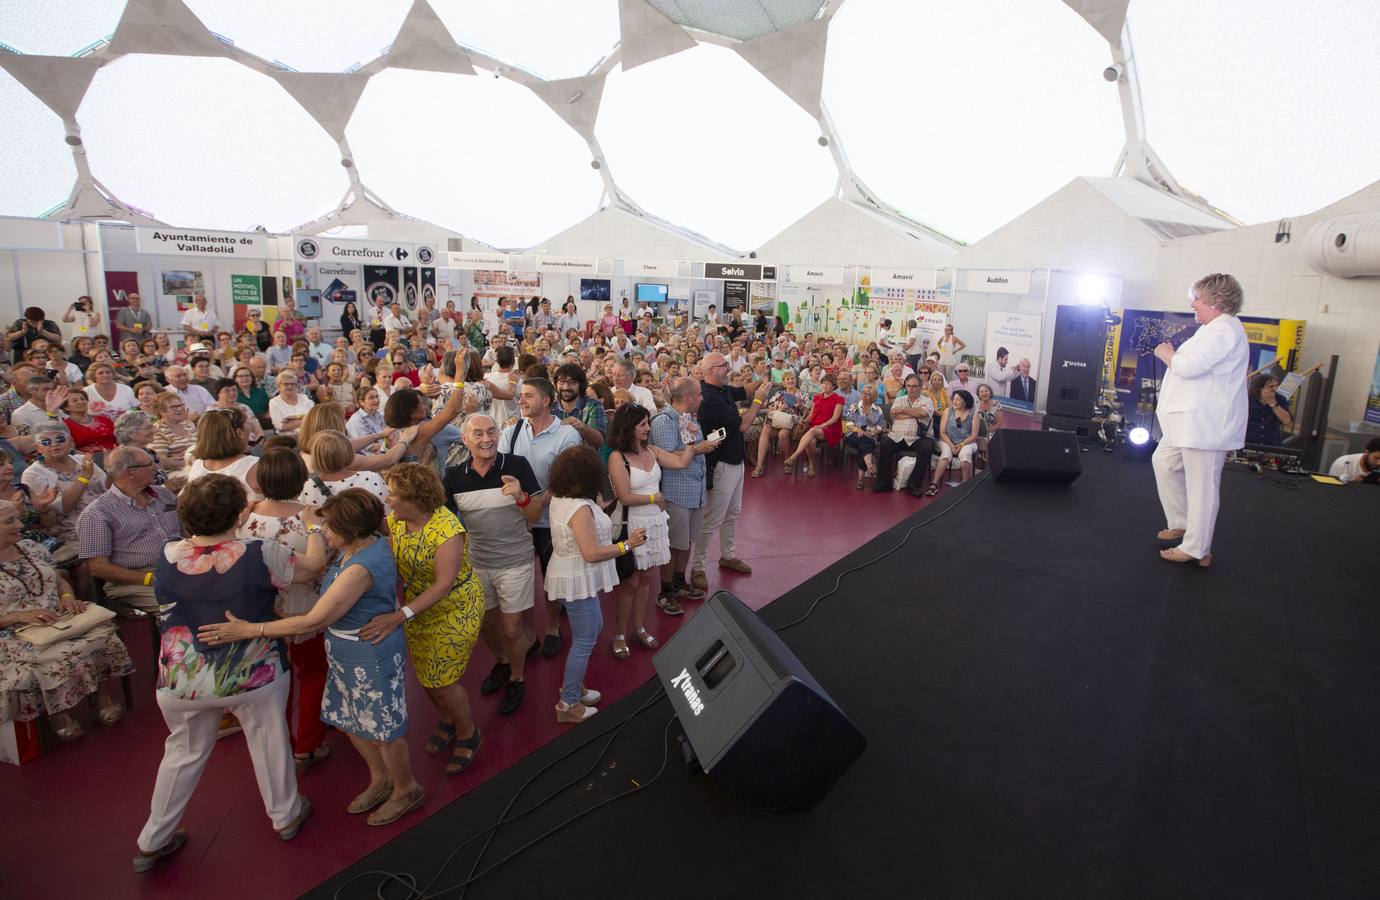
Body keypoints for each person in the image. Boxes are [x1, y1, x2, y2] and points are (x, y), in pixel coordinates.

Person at [200, 488, 425, 827]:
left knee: (383, 730)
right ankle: (381, 778)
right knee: (350, 720)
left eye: (329, 527)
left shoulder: (359, 568)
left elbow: (314, 620)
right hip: (345, 650)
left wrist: (250, 629)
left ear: (349, 530)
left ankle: (406, 788)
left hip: (368, 655)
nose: (322, 532)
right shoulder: (359, 546)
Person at [135, 475, 323, 871]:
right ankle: (285, 814)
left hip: (182, 678)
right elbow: (311, 570)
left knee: (183, 752)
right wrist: (318, 524)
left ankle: (154, 837)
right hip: (253, 672)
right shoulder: (260, 551)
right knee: (269, 738)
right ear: (240, 514)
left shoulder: (167, 555)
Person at [359, 464, 485, 775]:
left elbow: (443, 584)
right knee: (428, 675)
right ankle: (448, 717)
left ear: (415, 499)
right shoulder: (397, 522)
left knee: (442, 679)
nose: (389, 500)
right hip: (417, 610)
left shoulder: (447, 530)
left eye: (394, 495)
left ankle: (469, 732)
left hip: (454, 607)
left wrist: (399, 615)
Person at [0, 497, 132, 741]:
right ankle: (58, 713)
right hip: (14, 631)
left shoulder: (30, 547)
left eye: (17, 518)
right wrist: (20, 615)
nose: (19, 525)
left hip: (56, 616)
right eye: (10, 521)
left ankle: (101, 698)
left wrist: (67, 596)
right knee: (58, 655)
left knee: (104, 634)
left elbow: (58, 577)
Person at [236, 449, 329, 770]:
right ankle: (308, 743)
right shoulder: (313, 517)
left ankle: (282, 746)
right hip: (307, 608)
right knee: (315, 673)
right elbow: (324, 563)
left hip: (263, 609)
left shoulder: (244, 517)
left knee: (276, 680)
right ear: (300, 478)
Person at [445, 415, 543, 716]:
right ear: (465, 439)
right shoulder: (453, 476)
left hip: (515, 561)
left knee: (512, 629)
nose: (486, 439)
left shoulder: (517, 466)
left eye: (491, 432)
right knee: (486, 624)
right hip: (478, 563)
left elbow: (535, 517)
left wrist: (521, 497)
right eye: (478, 433)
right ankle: (504, 660)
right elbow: (447, 522)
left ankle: (516, 676)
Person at [1152, 273, 1250, 566]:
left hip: (1205, 425)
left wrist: (1166, 354)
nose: (1193, 304)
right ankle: (1182, 522)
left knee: (1203, 485)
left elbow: (1191, 366)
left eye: (1198, 298)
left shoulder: (1224, 331)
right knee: (1164, 462)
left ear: (1217, 302)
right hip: (1188, 423)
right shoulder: (1213, 329)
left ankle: (1197, 547)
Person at [544, 445, 645, 723]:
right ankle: (568, 704)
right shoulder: (579, 508)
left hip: (569, 575)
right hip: (577, 577)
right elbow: (591, 553)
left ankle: (573, 685)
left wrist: (597, 508)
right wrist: (627, 544)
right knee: (585, 640)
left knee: (593, 629)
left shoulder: (562, 498)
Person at [606, 403, 699, 659]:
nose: (648, 428)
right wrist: (654, 498)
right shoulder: (618, 457)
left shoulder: (652, 451)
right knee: (630, 582)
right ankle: (620, 632)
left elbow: (681, 462)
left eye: (647, 423)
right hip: (632, 523)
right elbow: (624, 496)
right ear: (629, 428)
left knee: (646, 579)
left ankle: (638, 627)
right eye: (643, 424)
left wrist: (690, 438)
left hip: (654, 523)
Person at [500, 378, 581, 657]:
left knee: (551, 576)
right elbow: (500, 468)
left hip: (551, 520)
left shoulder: (566, 436)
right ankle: (525, 632)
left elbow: (564, 480)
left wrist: (534, 504)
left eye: (528, 396)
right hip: (516, 519)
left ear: (546, 401)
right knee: (519, 577)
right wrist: (524, 506)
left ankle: (552, 626)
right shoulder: (511, 432)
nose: (521, 401)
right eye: (520, 396)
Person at [691, 352, 770, 591]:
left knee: (733, 513)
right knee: (713, 517)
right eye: (724, 365)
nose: (729, 367)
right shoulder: (711, 398)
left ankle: (727, 554)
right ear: (711, 371)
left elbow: (742, 391)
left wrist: (762, 380)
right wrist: (758, 401)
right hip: (722, 463)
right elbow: (744, 425)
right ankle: (697, 567)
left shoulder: (722, 389)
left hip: (735, 460)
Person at [77, 445, 180, 614]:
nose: (156, 467)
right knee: (179, 605)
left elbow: (185, 531)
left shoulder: (163, 494)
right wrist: (149, 578)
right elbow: (98, 567)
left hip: (179, 566)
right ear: (130, 472)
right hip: (137, 579)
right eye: (150, 464)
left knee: (226, 586)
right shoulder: (97, 513)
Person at [648, 378, 720, 614]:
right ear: (687, 398)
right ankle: (665, 591)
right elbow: (667, 457)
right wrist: (700, 448)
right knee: (672, 544)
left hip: (694, 491)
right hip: (676, 492)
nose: (702, 398)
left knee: (687, 541)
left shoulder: (688, 419)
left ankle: (679, 583)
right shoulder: (663, 421)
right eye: (699, 395)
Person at [875, 374, 936, 497]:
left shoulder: (927, 400)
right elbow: (894, 414)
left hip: (919, 437)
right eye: (908, 386)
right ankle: (884, 483)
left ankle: (914, 485)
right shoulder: (899, 399)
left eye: (914, 386)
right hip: (899, 436)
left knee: (926, 447)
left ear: (921, 387)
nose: (911, 389)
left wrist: (902, 410)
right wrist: (915, 413)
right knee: (885, 444)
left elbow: (923, 413)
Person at [186, 406, 261, 501]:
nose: (250, 427)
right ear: (239, 433)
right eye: (247, 424)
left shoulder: (196, 466)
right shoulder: (254, 465)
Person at [783, 373, 845, 477]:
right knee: (811, 440)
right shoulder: (817, 397)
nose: (825, 386)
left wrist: (822, 425)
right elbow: (811, 415)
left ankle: (793, 457)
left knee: (812, 431)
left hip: (830, 428)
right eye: (823, 383)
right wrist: (805, 421)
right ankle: (811, 466)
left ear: (833, 386)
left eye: (828, 384)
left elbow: (835, 418)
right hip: (815, 427)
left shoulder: (838, 399)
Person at [149, 393, 197, 490]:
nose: (179, 409)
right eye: (174, 407)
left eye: (180, 405)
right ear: (162, 411)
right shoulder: (158, 430)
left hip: (195, 464)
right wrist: (187, 461)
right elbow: (158, 459)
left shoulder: (189, 424)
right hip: (176, 471)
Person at [934, 389, 979, 491]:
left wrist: (961, 444)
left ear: (965, 401)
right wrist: (951, 445)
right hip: (947, 440)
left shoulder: (973, 413)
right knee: (946, 454)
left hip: (967, 442)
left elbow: (974, 435)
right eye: (953, 399)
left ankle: (965, 484)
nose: (954, 401)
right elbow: (942, 433)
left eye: (958, 399)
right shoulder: (947, 411)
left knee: (965, 453)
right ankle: (934, 483)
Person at [843, 385, 886, 489]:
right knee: (864, 439)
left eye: (868, 394)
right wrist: (858, 429)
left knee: (864, 442)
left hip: (870, 437)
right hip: (852, 435)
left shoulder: (878, 410)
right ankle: (870, 466)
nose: (865, 396)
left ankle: (861, 479)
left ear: (873, 396)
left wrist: (872, 433)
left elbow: (880, 427)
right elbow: (848, 424)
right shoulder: (855, 406)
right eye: (863, 393)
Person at [1245, 373, 1293, 446]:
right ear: (1260, 388)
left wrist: (1273, 403)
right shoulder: (1248, 400)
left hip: (1271, 444)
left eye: (1276, 386)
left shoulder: (1280, 399)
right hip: (1249, 442)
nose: (1275, 389)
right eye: (1271, 386)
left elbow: (1288, 422)